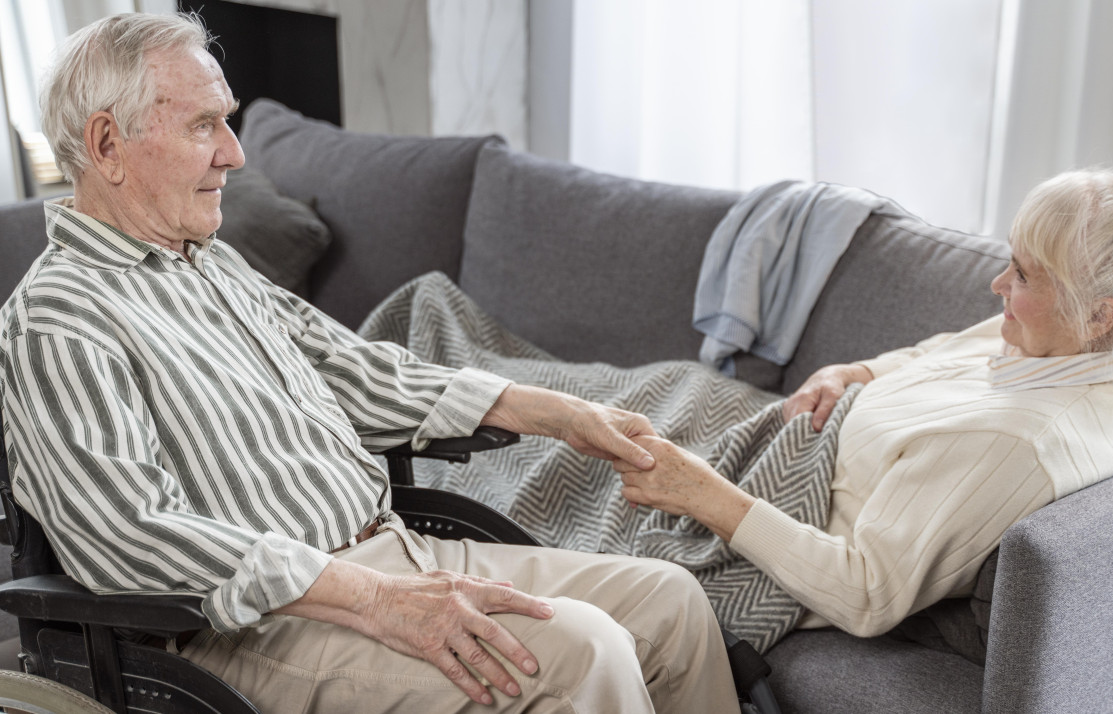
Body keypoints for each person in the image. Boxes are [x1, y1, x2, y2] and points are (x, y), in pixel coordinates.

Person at [0, 12, 741, 713]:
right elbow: (132, 531)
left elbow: (348, 367)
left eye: (225, 119)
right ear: (105, 146)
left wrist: (558, 412)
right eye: (203, 126)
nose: (235, 151)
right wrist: (371, 598)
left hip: (391, 553)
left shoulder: (208, 262)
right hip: (254, 627)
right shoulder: (59, 319)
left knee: (671, 603)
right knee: (582, 653)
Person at [614, 146, 1113, 637]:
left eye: (1022, 274)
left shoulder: (1014, 445)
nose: (997, 284)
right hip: (795, 431)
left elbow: (866, 592)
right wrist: (853, 373)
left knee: (586, 445)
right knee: (637, 393)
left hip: (785, 498)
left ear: (1100, 316)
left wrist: (703, 495)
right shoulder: (1108, 349)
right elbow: (941, 350)